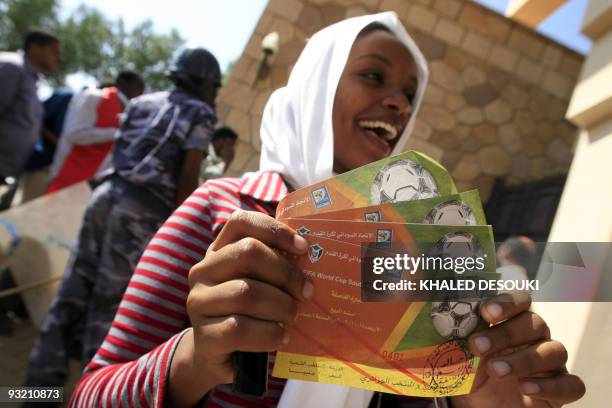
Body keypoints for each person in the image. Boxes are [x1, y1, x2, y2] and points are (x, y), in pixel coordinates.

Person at [69, 13, 585, 408]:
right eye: (373, 76)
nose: (398, 104)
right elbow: (87, 394)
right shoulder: (223, 210)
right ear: (317, 87)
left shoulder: (425, 260)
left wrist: (478, 395)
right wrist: (194, 359)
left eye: (408, 93)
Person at [25, 46, 220, 389]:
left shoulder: (141, 103)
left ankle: (39, 389)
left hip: (105, 197)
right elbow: (188, 175)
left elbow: (119, 155)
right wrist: (185, 228)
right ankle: (92, 395)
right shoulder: (201, 113)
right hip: (141, 215)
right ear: (205, 83)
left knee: (72, 292)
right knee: (109, 308)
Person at [47, 71, 145, 193]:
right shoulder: (94, 97)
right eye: (138, 86)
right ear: (122, 82)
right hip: (65, 178)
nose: (140, 93)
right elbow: (74, 133)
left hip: (91, 186)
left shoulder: (128, 115)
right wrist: (116, 134)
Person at [0, 28, 62, 208]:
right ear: (35, 48)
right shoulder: (12, 68)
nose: (59, 58)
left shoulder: (32, 79)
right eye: (55, 52)